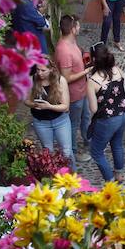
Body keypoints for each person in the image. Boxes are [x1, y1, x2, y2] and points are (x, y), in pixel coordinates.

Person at [86, 44, 125, 182]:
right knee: (116, 144)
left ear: (93, 60)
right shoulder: (116, 69)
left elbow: (93, 109)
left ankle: (109, 180)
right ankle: (119, 174)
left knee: (96, 152)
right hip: (123, 114)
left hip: (107, 120)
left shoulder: (92, 81)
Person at [55, 15, 93, 164]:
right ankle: (73, 153)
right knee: (73, 125)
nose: (79, 28)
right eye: (77, 26)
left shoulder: (71, 42)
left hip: (82, 92)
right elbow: (66, 77)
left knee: (85, 118)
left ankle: (88, 143)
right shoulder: (64, 50)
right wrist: (86, 71)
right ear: (72, 29)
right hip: (74, 95)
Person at [26, 56, 73, 169]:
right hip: (41, 122)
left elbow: (65, 107)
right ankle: (53, 179)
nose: (39, 73)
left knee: (67, 151)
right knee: (48, 152)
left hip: (60, 121)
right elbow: (26, 101)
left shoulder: (60, 80)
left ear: (51, 69)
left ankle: (71, 178)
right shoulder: (32, 80)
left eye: (43, 70)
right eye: (37, 70)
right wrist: (34, 105)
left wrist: (49, 106)